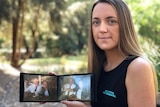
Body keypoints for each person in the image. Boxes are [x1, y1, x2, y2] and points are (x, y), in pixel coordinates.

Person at [61, 0, 158, 107]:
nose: (102, 29)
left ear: (125, 26)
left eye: (111, 21)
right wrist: (60, 87)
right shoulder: (98, 66)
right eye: (96, 22)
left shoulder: (138, 67)